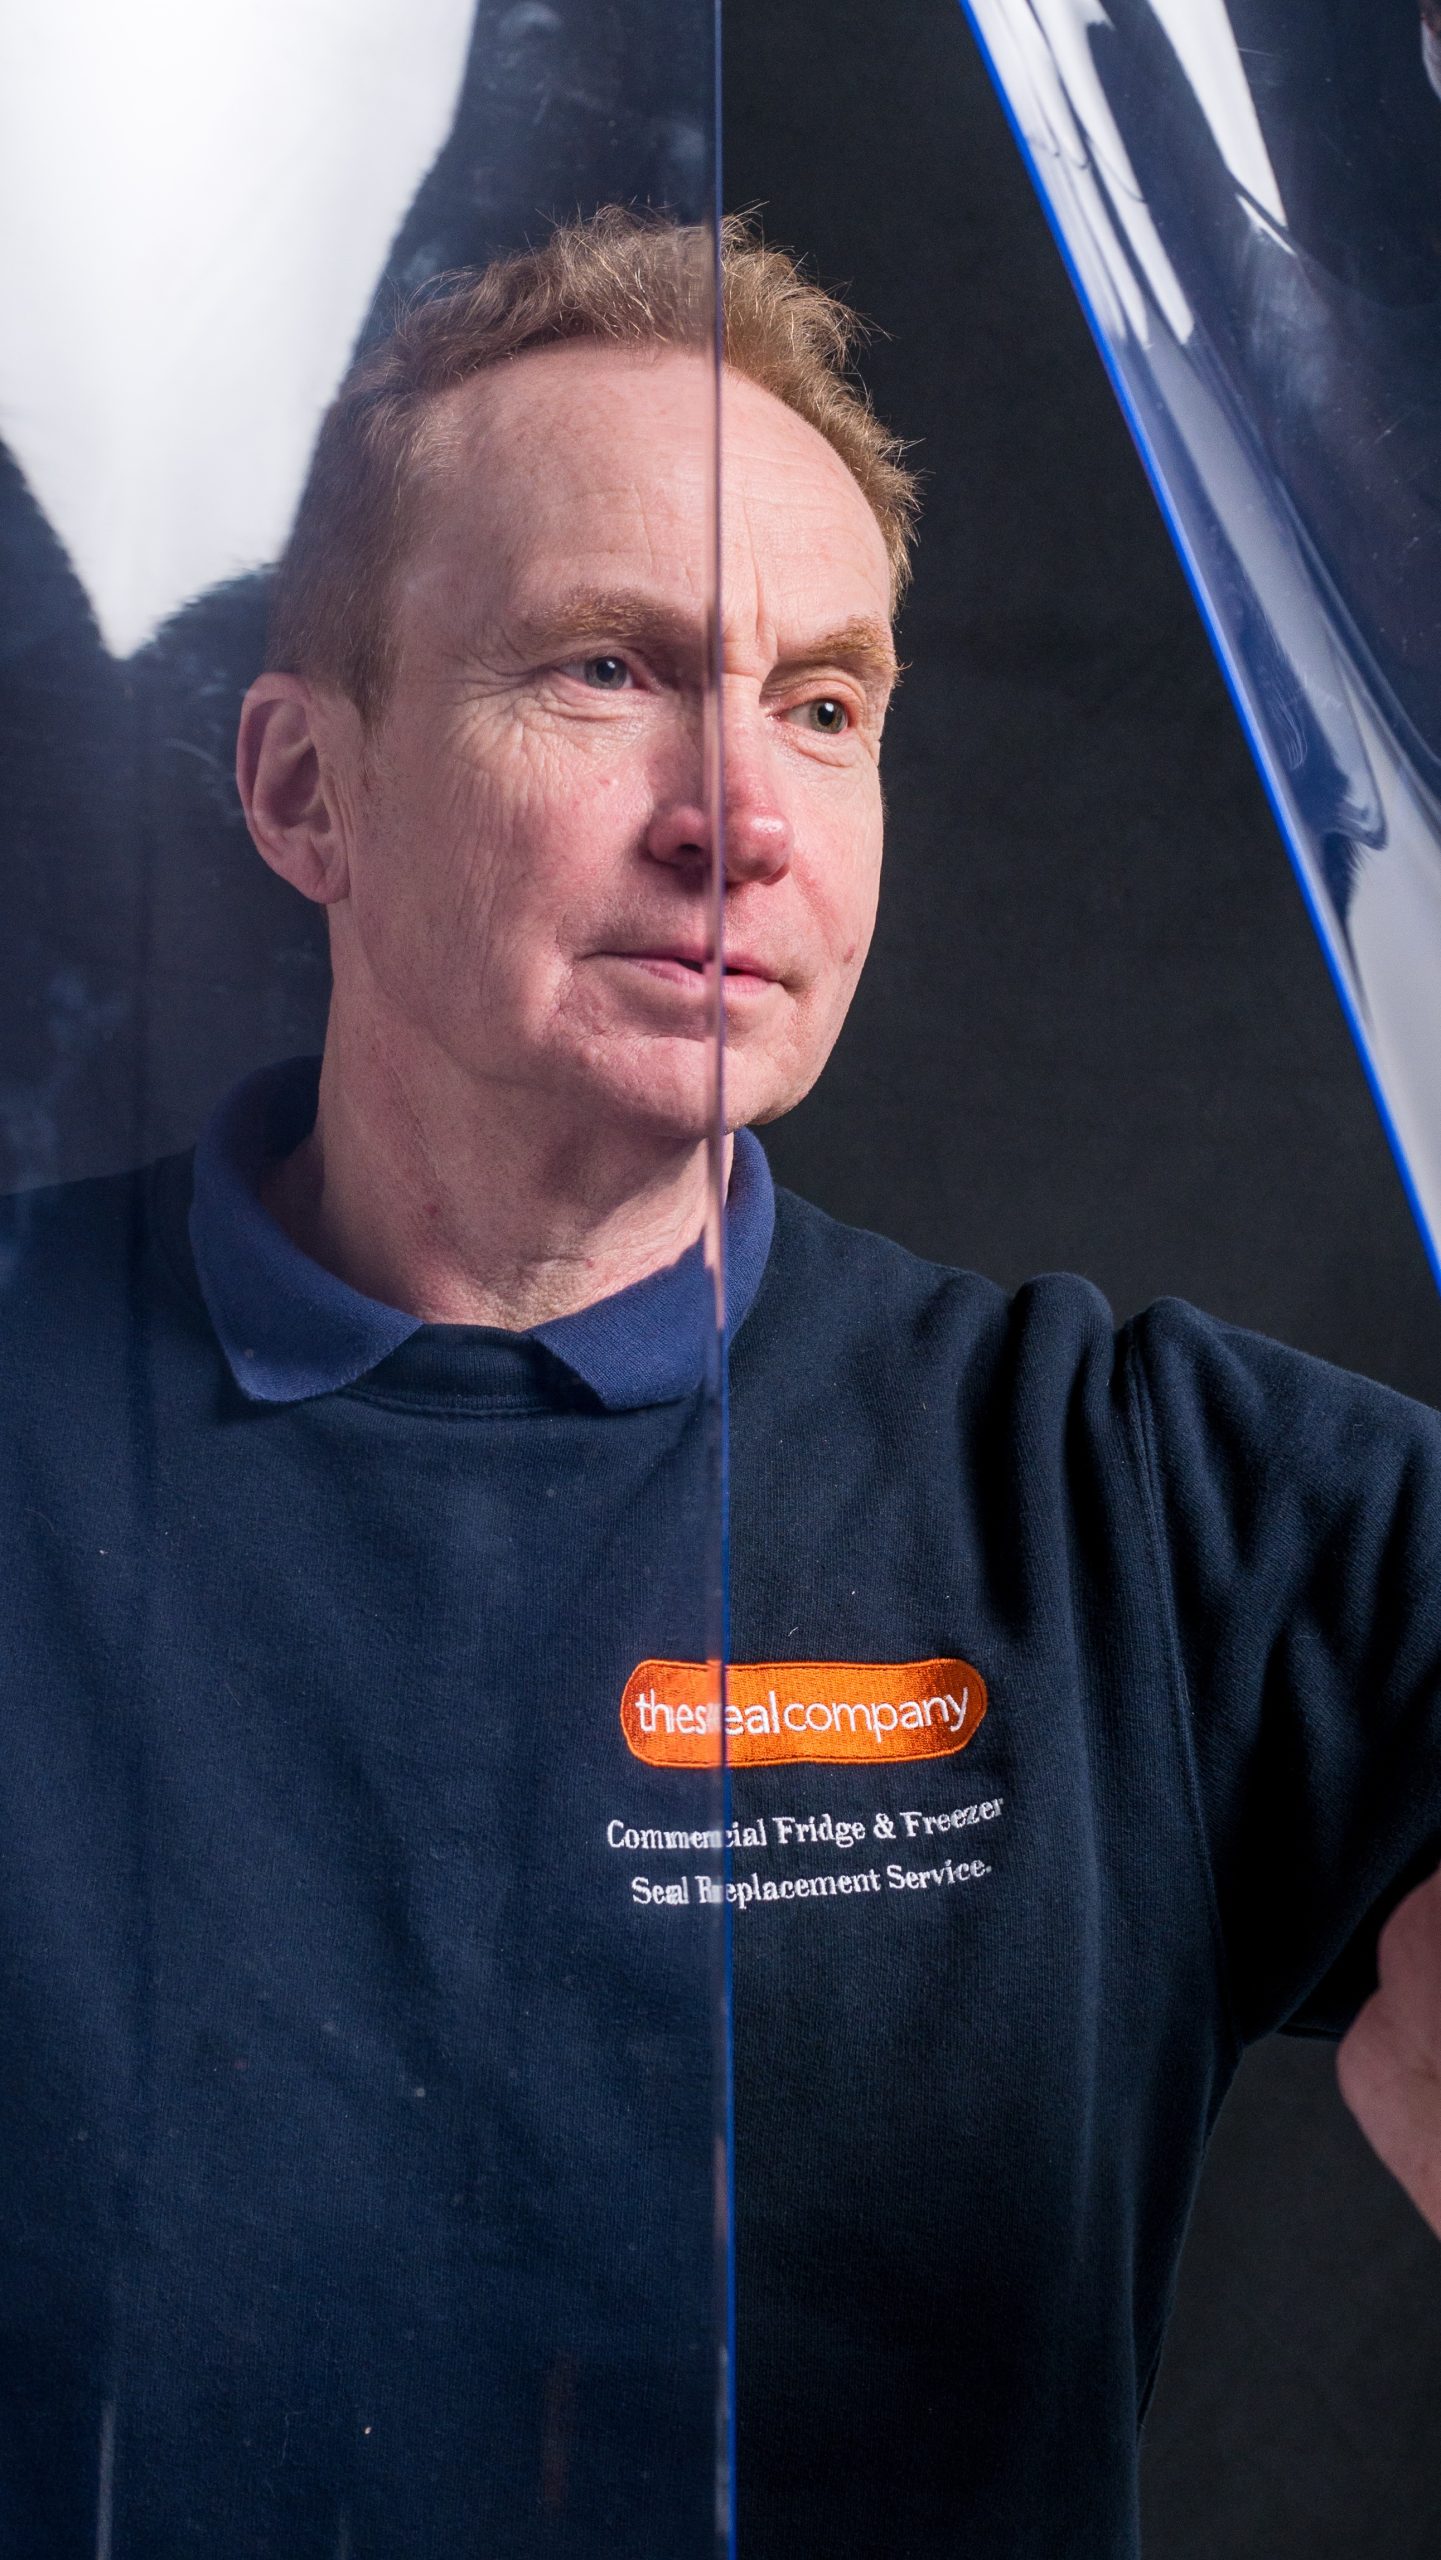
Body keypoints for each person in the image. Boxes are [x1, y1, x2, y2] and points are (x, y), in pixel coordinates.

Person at [1, 204, 1439, 2558]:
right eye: (601, 667)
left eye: (824, 702)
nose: (744, 816)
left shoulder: (1130, 1503)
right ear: (300, 793)